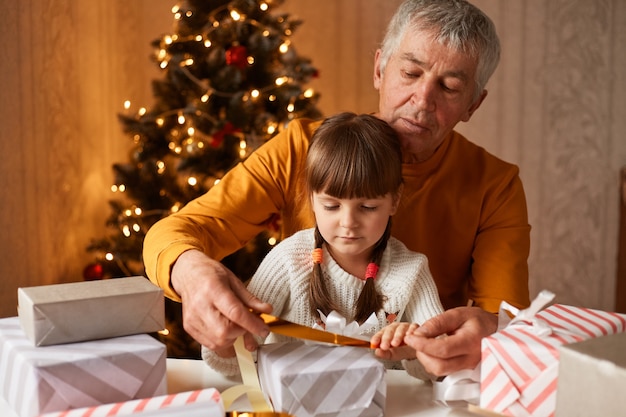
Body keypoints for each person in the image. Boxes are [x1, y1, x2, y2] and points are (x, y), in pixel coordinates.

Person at [143, 0, 531, 376]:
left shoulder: (495, 186)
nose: (422, 100)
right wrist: (189, 271)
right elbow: (175, 231)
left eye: (448, 87)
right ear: (379, 68)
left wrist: (492, 332)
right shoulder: (300, 149)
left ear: (473, 105)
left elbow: (506, 319)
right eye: (410, 74)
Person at [201, 112, 444, 378]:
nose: (348, 222)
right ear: (312, 199)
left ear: (394, 200)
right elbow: (238, 363)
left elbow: (441, 365)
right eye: (331, 206)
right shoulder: (288, 261)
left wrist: (415, 349)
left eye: (368, 207)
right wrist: (226, 342)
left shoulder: (412, 270)